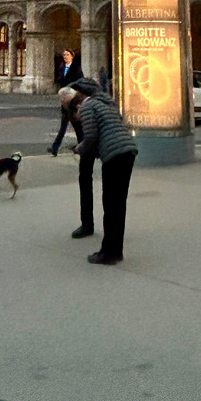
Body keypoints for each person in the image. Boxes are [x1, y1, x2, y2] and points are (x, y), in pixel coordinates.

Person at [71, 78, 138, 264]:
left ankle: (108, 252)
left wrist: (80, 148)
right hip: (128, 150)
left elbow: (91, 137)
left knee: (110, 204)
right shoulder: (108, 104)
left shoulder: (87, 106)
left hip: (113, 154)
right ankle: (116, 250)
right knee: (119, 204)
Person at [59, 86, 96, 239]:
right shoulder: (70, 106)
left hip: (94, 145)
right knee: (85, 180)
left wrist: (81, 147)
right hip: (89, 145)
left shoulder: (84, 105)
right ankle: (87, 223)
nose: (61, 103)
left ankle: (88, 225)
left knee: (87, 181)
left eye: (62, 101)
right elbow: (64, 126)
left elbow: (91, 133)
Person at [46, 49, 84, 156]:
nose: (65, 57)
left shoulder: (76, 69)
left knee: (76, 126)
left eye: (67, 55)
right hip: (65, 101)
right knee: (65, 126)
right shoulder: (62, 67)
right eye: (64, 55)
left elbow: (80, 83)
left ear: (72, 56)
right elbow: (60, 80)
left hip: (73, 101)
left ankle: (81, 146)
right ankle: (55, 148)